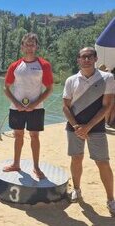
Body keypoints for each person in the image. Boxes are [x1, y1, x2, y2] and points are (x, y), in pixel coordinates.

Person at [62, 47, 115, 216]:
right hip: (74, 127)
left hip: (97, 127)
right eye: (83, 57)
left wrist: (88, 127)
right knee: (76, 158)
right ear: (78, 59)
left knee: (102, 162)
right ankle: (76, 190)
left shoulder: (107, 78)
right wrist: (77, 126)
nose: (86, 59)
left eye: (89, 56)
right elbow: (65, 107)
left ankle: (111, 199)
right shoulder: (71, 80)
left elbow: (107, 106)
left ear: (95, 58)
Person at [2, 33, 53, 179]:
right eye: (27, 44)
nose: (29, 47)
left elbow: (49, 89)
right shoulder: (15, 66)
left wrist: (35, 103)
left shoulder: (44, 65)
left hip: (36, 108)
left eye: (32, 44)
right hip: (16, 108)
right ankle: (16, 163)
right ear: (22, 47)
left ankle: (36, 167)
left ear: (36, 46)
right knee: (18, 135)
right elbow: (6, 87)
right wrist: (16, 103)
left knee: (34, 136)